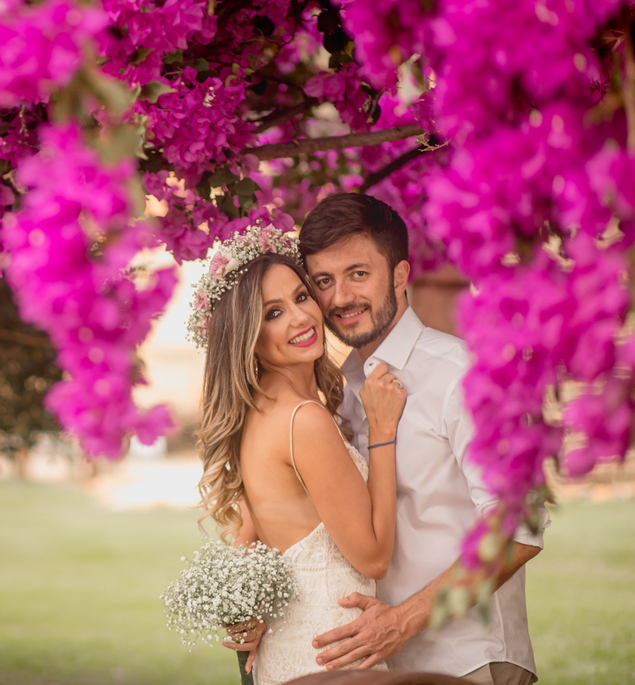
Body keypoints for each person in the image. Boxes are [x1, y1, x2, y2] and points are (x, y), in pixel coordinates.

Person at [296, 192, 547, 684]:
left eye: (358, 273)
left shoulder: (464, 374)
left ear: (400, 274)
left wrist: (403, 621)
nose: (341, 297)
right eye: (324, 281)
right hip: (379, 662)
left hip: (468, 659)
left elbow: (520, 529)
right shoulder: (339, 387)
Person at [188, 225, 408, 685]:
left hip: (290, 655)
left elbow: (248, 535)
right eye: (273, 312)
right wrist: (383, 433)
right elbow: (371, 558)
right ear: (247, 334)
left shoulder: (256, 410)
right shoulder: (302, 419)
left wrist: (250, 609)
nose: (300, 319)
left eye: (301, 297)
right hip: (335, 656)